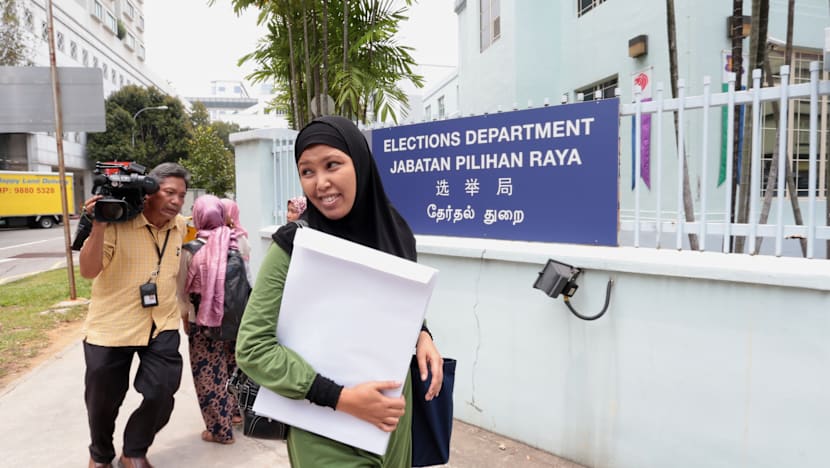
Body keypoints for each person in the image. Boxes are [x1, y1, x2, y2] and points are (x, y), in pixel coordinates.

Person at [236, 116, 444, 467]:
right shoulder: (292, 247)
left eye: (332, 164)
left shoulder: (395, 233)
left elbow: (398, 305)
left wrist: (423, 334)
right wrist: (340, 397)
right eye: (307, 171)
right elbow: (253, 348)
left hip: (392, 420)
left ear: (360, 163)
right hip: (323, 425)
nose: (321, 183)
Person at [79, 162, 190, 468]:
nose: (176, 201)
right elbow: (88, 271)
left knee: (162, 392)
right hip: (112, 326)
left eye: (182, 195)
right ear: (149, 192)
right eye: (169, 192)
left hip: (161, 324)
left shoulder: (179, 226)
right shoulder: (115, 222)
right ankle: (100, 455)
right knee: (101, 404)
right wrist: (98, 225)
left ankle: (134, 451)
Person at [180, 195, 243, 445]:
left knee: (208, 373)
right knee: (233, 367)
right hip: (235, 318)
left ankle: (220, 430)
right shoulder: (238, 242)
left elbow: (182, 293)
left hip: (202, 321)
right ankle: (236, 414)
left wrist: (185, 319)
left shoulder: (190, 250)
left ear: (197, 217)